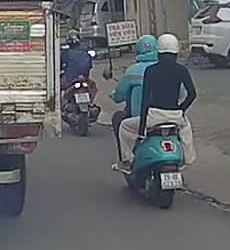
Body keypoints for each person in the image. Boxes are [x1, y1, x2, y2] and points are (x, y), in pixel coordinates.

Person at [115, 33, 197, 171]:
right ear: (176, 53)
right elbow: (192, 94)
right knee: (186, 129)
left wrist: (142, 129)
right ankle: (187, 158)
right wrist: (181, 110)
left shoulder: (151, 71)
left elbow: (145, 101)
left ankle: (127, 161)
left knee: (124, 126)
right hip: (175, 116)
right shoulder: (182, 70)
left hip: (154, 117)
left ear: (159, 53)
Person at [110, 34, 159, 161]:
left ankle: (126, 158)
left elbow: (119, 96)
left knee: (118, 119)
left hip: (138, 119)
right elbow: (182, 95)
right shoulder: (164, 69)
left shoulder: (132, 71)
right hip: (165, 116)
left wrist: (114, 95)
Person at [59, 31, 97, 101]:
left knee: (58, 88)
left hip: (70, 81)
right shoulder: (85, 53)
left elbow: (60, 66)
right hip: (83, 80)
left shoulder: (65, 53)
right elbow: (89, 66)